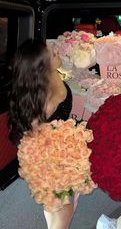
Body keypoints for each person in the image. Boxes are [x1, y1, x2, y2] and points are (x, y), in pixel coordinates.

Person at [8, 39, 76, 229]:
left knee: (61, 209)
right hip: (50, 158)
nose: (56, 51)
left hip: (60, 147)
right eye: (53, 54)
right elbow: (33, 141)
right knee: (63, 211)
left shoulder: (52, 76)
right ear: (43, 67)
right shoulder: (44, 101)